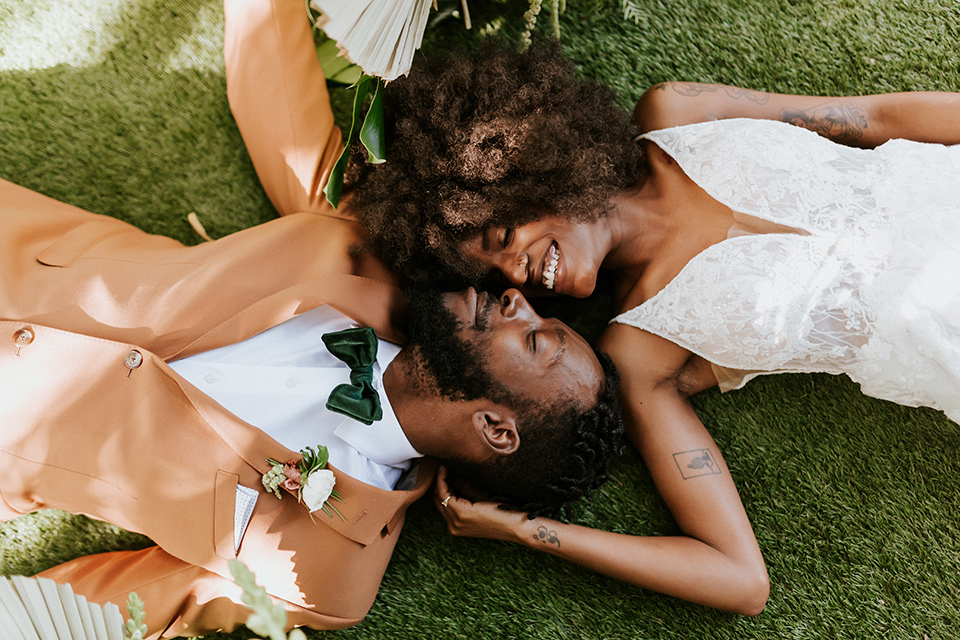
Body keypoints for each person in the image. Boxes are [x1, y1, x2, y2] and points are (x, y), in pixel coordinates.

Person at [0, 1, 625, 637]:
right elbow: (280, 106)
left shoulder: (327, 575)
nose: (519, 299)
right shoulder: (377, 250)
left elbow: (112, 608)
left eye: (536, 339)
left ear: (496, 428)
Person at [346, 42, 960, 614]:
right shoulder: (639, 352)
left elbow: (874, 119)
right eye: (496, 274)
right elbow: (741, 579)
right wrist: (527, 531)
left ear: (531, 163)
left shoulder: (675, 115)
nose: (517, 271)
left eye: (506, 235)